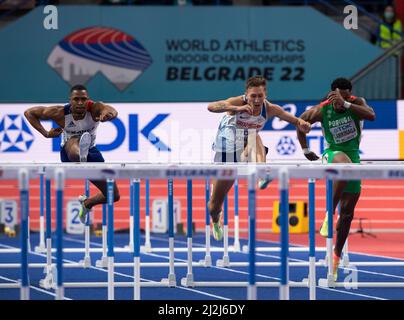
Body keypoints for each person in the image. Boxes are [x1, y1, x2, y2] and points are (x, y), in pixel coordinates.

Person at [207, 75, 312, 241]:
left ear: (265, 95)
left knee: (254, 136)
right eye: (253, 96)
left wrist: (302, 123)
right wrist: (237, 109)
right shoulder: (237, 102)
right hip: (226, 153)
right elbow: (211, 107)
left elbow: (292, 119)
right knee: (214, 205)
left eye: (260, 96)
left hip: (247, 149)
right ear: (246, 95)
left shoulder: (269, 109)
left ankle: (262, 173)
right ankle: (215, 220)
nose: (256, 100)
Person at [296, 77, 376, 281]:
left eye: (346, 95)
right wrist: (305, 149)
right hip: (332, 155)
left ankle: (336, 256)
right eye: (338, 96)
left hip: (354, 157)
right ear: (332, 94)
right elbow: (300, 122)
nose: (341, 100)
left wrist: (346, 103)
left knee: (348, 214)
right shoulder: (322, 110)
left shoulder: (357, 103)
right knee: (342, 165)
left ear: (349, 93)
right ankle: (328, 214)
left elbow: (372, 116)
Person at [24, 84, 120, 224]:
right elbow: (29, 113)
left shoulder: (94, 108)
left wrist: (108, 115)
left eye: (83, 99)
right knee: (74, 142)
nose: (80, 103)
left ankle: (87, 204)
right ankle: (80, 157)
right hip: (69, 152)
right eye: (76, 99)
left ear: (88, 100)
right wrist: (45, 133)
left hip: (92, 152)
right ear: (70, 100)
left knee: (113, 195)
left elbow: (111, 110)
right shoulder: (59, 112)